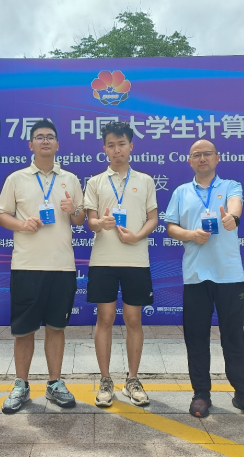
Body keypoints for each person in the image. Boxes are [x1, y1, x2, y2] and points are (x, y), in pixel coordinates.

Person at [164, 139, 244, 421]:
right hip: (196, 276)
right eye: (196, 155)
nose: (202, 158)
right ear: (189, 161)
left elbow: (235, 206)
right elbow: (171, 226)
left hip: (228, 275)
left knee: (233, 336)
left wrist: (232, 218)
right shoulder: (181, 192)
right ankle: (201, 394)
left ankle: (243, 394)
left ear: (217, 158)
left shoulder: (230, 186)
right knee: (196, 337)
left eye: (207, 154)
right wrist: (190, 235)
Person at [0, 119, 86, 414]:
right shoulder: (16, 178)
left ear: (58, 144)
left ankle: (54, 383)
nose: (45, 141)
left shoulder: (70, 179)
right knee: (24, 330)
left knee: (56, 327)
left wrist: (74, 210)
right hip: (27, 265)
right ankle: (21, 385)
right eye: (39, 137)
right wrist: (22, 224)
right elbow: (2, 215)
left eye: (50, 136)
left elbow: (80, 219)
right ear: (31, 145)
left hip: (62, 266)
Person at [84, 121, 158, 407]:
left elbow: (153, 218)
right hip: (103, 261)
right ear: (104, 149)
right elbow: (90, 221)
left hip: (136, 260)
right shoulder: (95, 182)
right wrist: (100, 223)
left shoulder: (145, 180)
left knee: (133, 319)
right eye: (111, 145)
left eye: (122, 144)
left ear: (131, 146)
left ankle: (132, 380)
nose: (117, 150)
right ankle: (105, 380)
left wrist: (137, 236)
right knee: (104, 319)